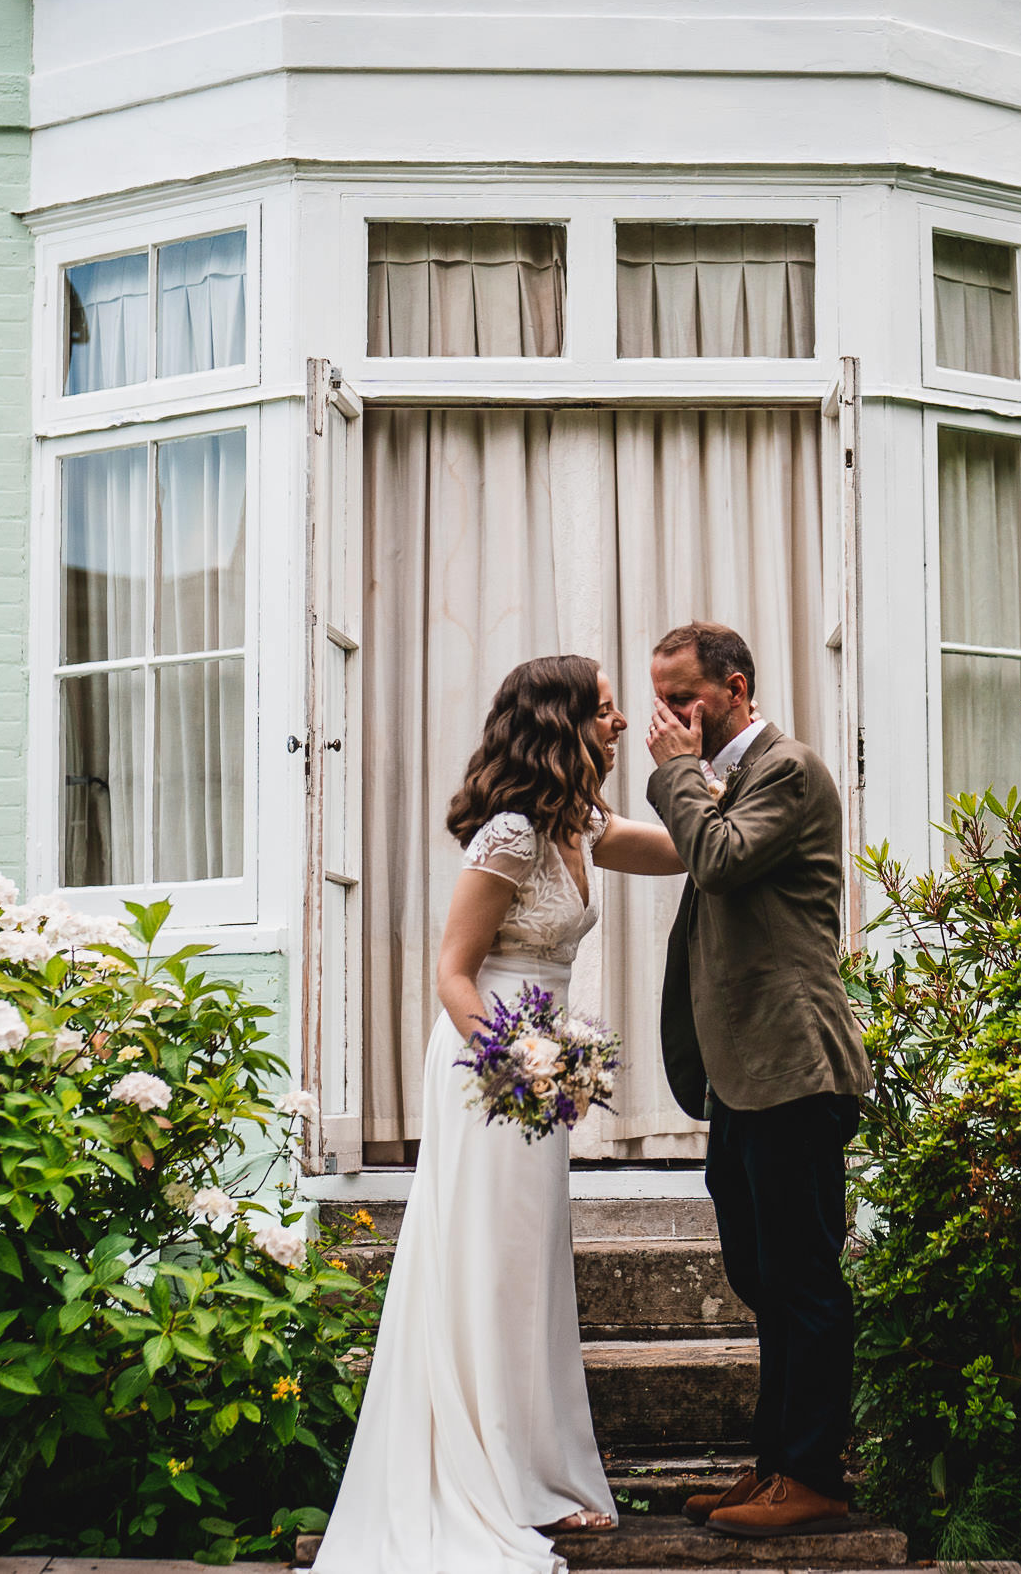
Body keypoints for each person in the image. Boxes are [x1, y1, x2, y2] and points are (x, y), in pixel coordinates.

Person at [316, 655, 685, 1574]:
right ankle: (492, 1481)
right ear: (561, 724)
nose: (622, 724)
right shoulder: (512, 836)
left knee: (528, 1267)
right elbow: (452, 972)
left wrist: (702, 767)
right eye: (606, 712)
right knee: (487, 1262)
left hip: (539, 1069)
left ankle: (535, 1472)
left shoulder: (581, 824)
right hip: (491, 1067)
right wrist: (518, 1061)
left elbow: (688, 847)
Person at [643, 621, 874, 1539]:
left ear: (734, 687)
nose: (668, 716)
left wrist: (673, 776)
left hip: (795, 1066)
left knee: (806, 1278)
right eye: (661, 698)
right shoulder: (724, 780)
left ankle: (815, 1474)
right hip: (743, 1076)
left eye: (683, 696)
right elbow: (696, 848)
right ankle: (778, 1460)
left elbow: (720, 857)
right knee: (763, 1273)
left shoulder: (787, 768)